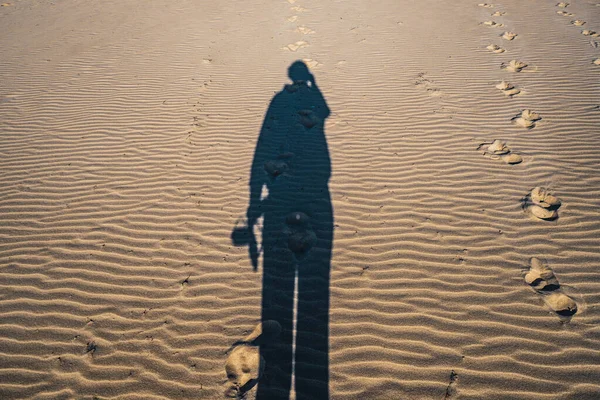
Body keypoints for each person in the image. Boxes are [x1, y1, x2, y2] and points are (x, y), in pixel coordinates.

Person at [242, 60, 333, 399]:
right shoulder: (303, 99)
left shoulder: (278, 102)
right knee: (314, 302)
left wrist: (254, 201)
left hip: (282, 196)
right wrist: (312, 83)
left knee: (287, 292)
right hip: (319, 192)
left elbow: (261, 150)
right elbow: (324, 112)